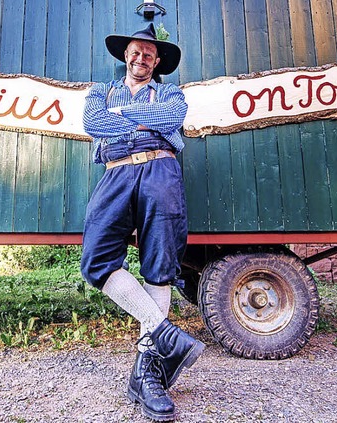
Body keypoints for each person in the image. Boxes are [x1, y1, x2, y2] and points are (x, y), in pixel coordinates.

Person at [80, 23, 204, 422]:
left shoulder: (169, 90)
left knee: (160, 266)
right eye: (136, 51)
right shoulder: (100, 91)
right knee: (97, 261)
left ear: (157, 61)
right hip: (116, 172)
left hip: (161, 172)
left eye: (149, 54)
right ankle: (164, 331)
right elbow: (92, 123)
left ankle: (147, 375)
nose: (142, 58)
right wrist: (144, 121)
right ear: (125, 55)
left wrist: (122, 116)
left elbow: (173, 114)